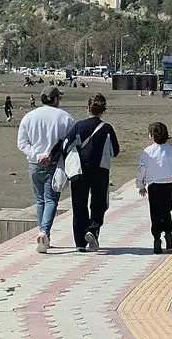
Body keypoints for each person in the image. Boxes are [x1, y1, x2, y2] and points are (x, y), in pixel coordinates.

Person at [51, 94, 120, 253]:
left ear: (87, 108)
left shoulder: (78, 126)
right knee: (99, 203)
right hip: (100, 170)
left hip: (78, 171)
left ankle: (80, 242)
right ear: (103, 111)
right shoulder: (107, 128)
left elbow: (65, 146)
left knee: (79, 205)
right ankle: (93, 229)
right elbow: (115, 152)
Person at [17, 87, 76, 253]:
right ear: (55, 99)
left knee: (41, 199)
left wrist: (37, 155)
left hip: (35, 164)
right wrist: (50, 155)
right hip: (55, 163)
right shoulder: (64, 117)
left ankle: (43, 232)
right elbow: (72, 141)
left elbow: (22, 143)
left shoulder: (29, 117)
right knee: (51, 199)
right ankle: (45, 232)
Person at [136, 121, 172, 254]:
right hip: (168, 184)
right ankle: (169, 237)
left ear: (151, 136)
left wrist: (141, 185)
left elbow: (142, 170)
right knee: (167, 210)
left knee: (155, 213)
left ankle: (157, 240)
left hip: (154, 186)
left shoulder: (148, 152)